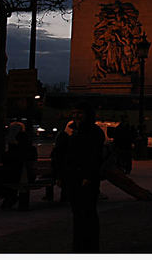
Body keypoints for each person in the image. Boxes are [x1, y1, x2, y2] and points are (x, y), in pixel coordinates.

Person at [62, 104, 105, 253]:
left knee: (87, 213)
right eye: (74, 112)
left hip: (85, 177)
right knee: (79, 214)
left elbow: (94, 156)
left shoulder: (92, 132)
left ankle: (88, 246)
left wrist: (88, 175)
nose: (75, 115)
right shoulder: (75, 131)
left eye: (79, 112)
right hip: (75, 176)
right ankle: (81, 245)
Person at [0, 131, 38, 210]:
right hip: (27, 175)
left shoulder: (16, 149)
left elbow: (5, 159)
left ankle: (10, 197)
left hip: (20, 175)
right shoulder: (31, 149)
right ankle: (10, 197)